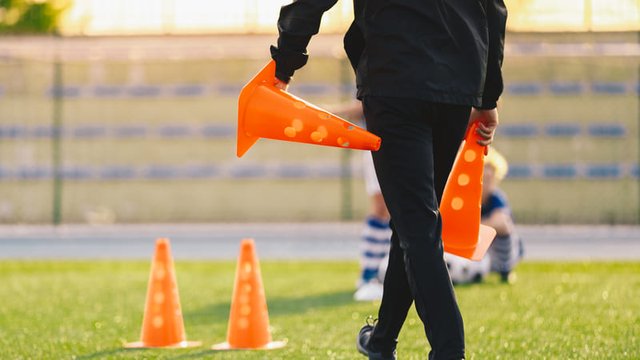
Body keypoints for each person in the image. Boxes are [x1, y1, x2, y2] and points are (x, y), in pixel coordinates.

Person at [270, 0, 507, 358]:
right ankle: (381, 341)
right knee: (415, 221)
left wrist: (284, 65)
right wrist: (488, 96)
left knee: (417, 225)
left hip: (395, 78)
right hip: (457, 80)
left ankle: (449, 351)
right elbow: (492, 8)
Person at [481, 148, 524, 283]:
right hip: (480, 248)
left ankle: (505, 269)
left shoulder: (496, 198)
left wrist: (474, 226)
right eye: (483, 178)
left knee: (504, 227)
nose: (486, 185)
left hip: (497, 251)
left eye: (490, 179)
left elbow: (501, 222)